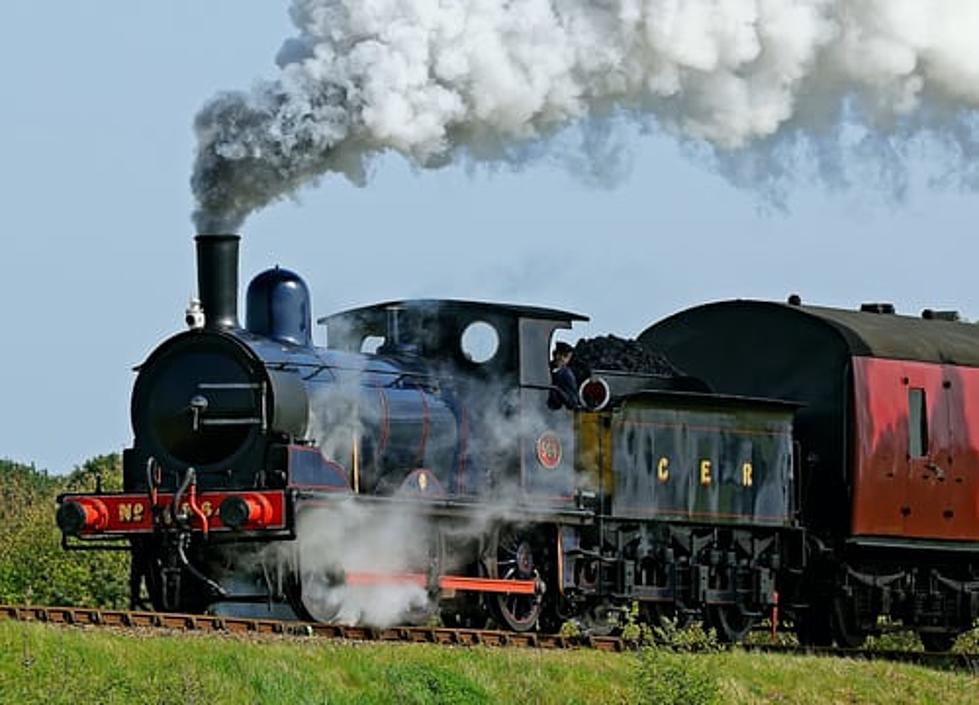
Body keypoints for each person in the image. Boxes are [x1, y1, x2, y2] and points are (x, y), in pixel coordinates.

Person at [548, 341, 580, 410]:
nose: (561, 358)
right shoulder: (546, 368)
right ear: (555, 354)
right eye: (559, 354)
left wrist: (557, 390)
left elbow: (573, 402)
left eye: (565, 356)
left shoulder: (567, 375)